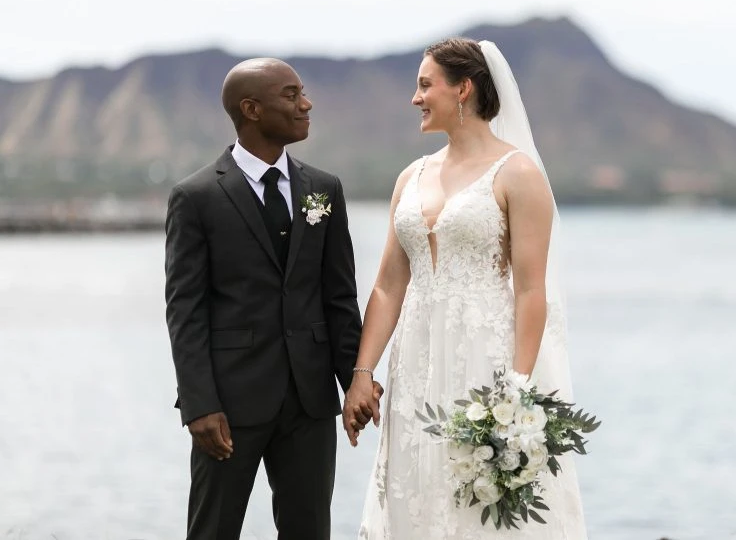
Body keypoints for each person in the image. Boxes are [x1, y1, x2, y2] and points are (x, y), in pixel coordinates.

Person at [345, 38, 588, 538]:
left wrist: (518, 392)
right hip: (414, 361)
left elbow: (530, 292)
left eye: (424, 84)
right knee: (414, 492)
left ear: (464, 89)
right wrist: (361, 373)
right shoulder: (411, 177)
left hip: (484, 365)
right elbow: (389, 286)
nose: (415, 97)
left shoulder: (518, 174)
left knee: (479, 502)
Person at [164, 58, 381, 540]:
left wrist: (354, 382)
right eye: (291, 94)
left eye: (302, 92)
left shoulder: (324, 189)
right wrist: (199, 405)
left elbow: (339, 297)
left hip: (310, 402)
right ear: (252, 109)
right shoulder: (196, 196)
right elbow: (185, 311)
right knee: (212, 531)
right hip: (228, 406)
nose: (306, 104)